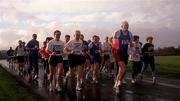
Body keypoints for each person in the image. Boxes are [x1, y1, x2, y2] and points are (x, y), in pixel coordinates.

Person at [113, 20, 133, 93]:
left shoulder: (130, 33)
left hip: (125, 53)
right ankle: (118, 83)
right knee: (123, 68)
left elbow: (131, 43)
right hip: (118, 52)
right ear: (121, 26)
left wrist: (131, 44)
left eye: (128, 26)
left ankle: (116, 82)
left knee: (122, 71)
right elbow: (114, 43)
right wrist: (115, 49)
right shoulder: (117, 32)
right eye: (125, 26)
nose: (127, 27)